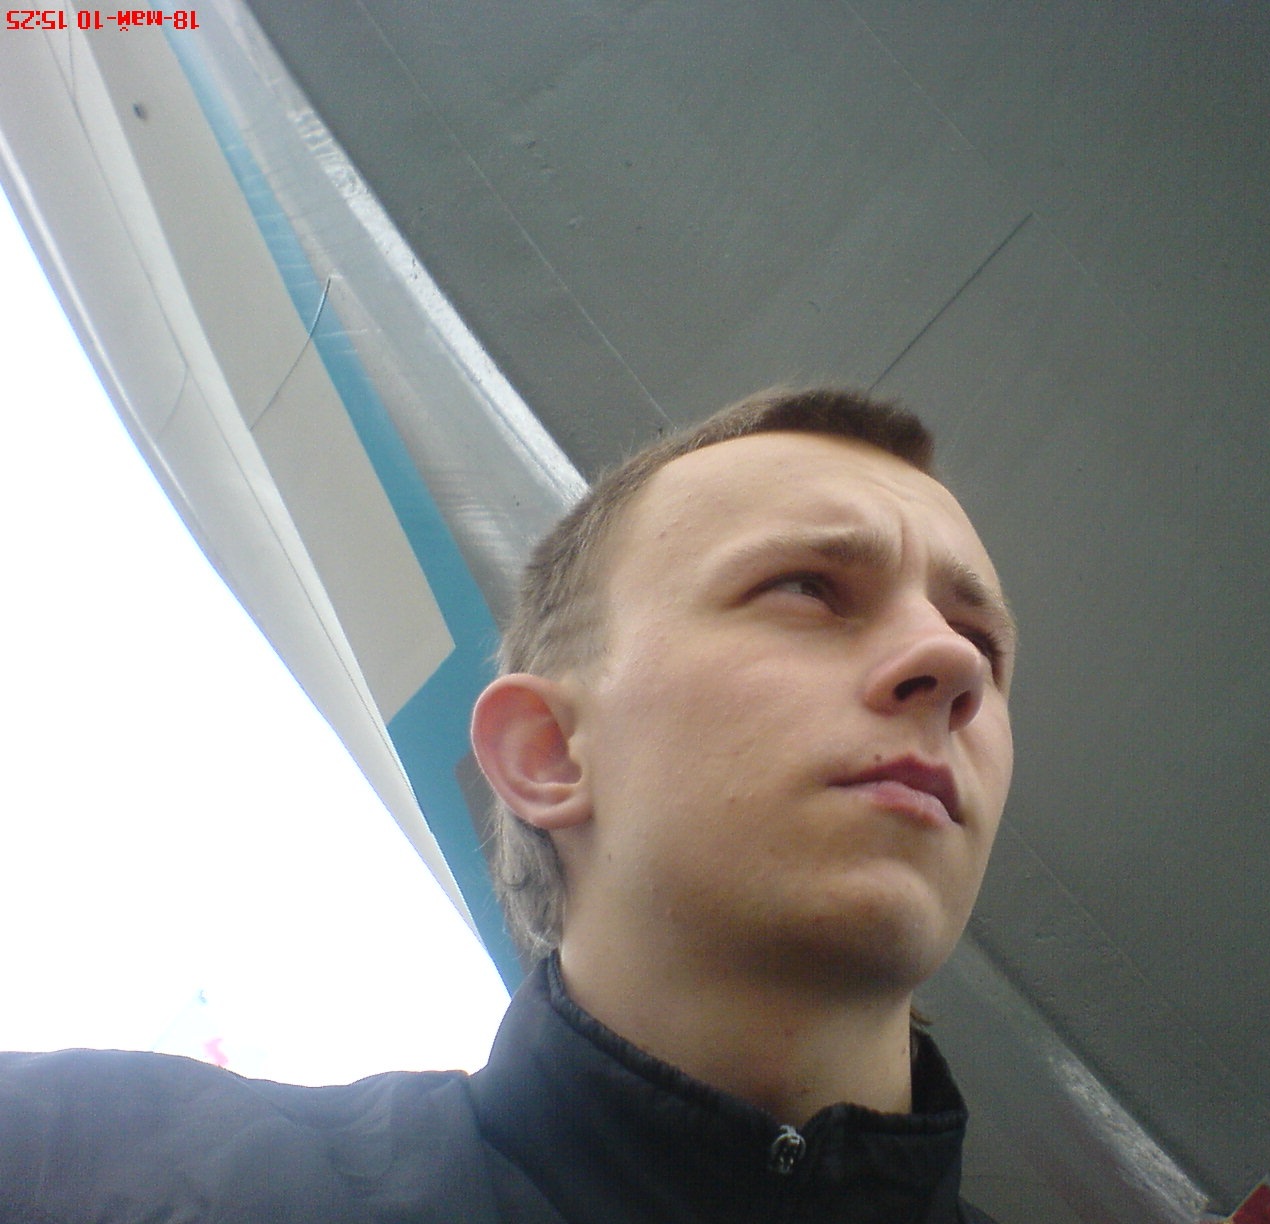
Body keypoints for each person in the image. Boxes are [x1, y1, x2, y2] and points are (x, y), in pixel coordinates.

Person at [0, 386, 1016, 1223]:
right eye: (807, 588)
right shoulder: (71, 1168)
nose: (952, 662)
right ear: (544, 754)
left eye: (981, 640)